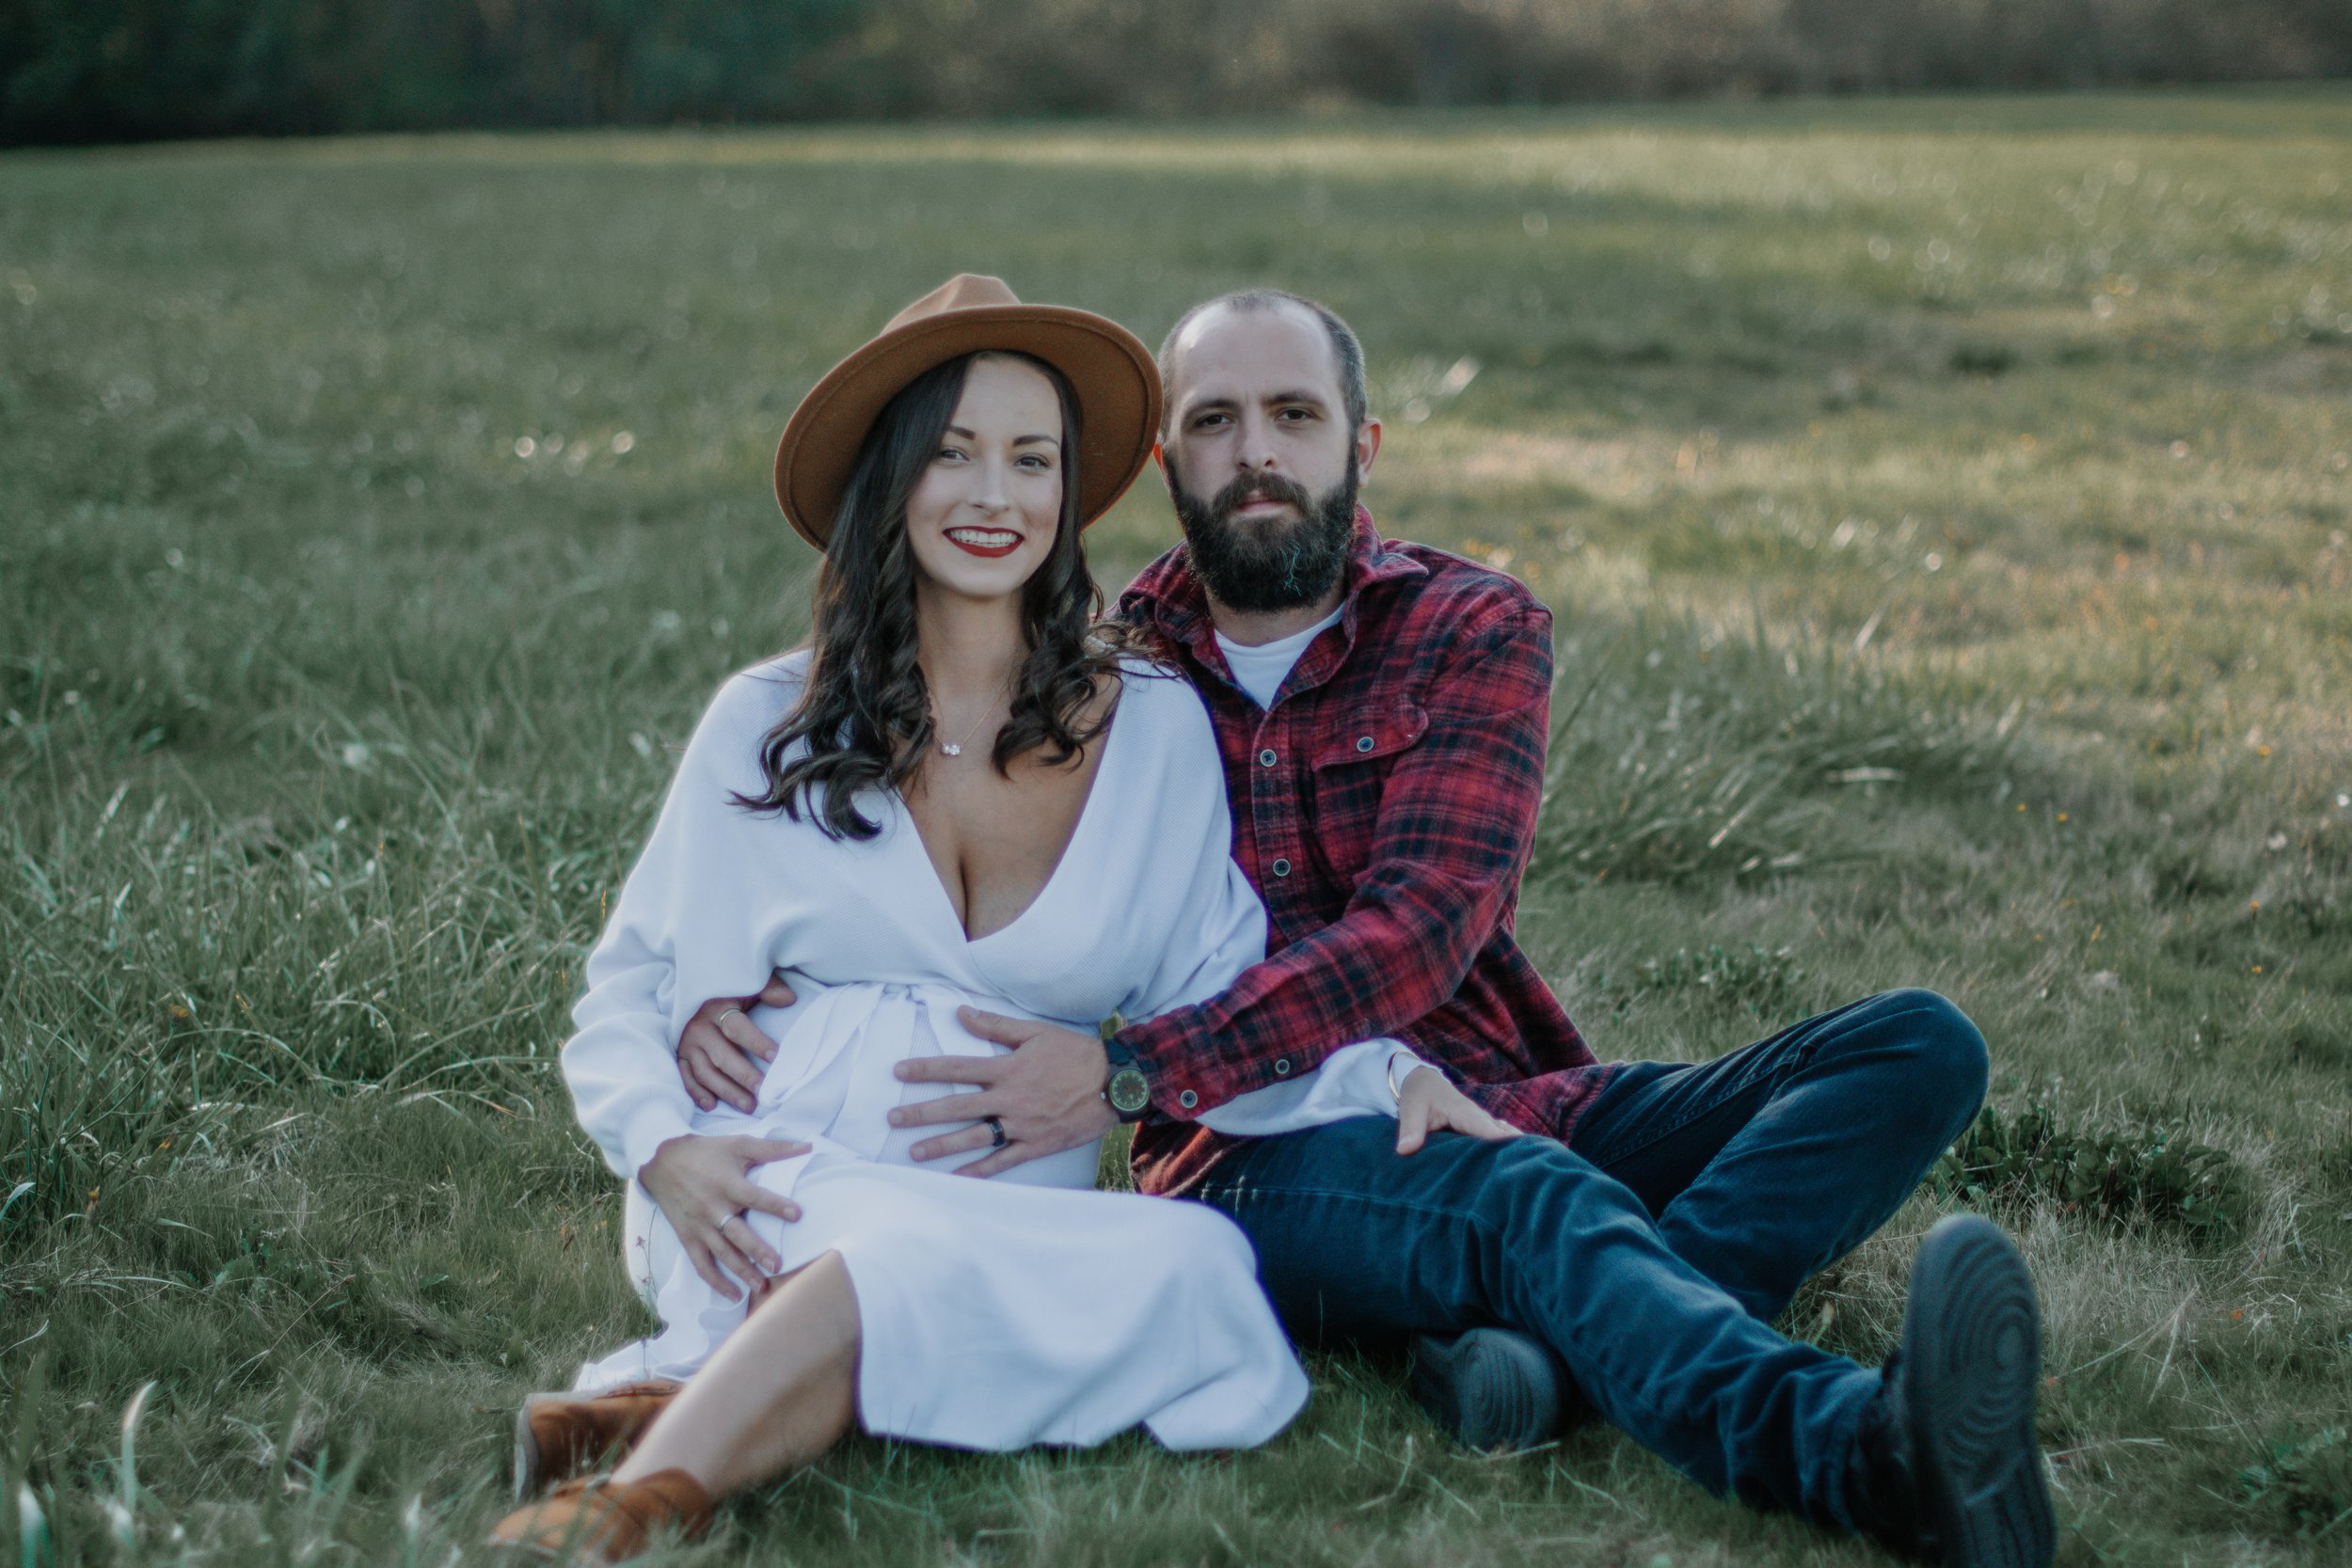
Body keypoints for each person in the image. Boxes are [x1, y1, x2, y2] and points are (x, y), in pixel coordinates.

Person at [674, 288, 2058, 1568]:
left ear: (1362, 444)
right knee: (1532, 1204)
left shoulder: (1472, 627)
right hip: (1246, 1142)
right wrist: (737, 985)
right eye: (1214, 422)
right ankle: (1865, 1458)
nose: (1255, 452)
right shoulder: (1109, 674)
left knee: (1914, 1046)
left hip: (1496, 1090)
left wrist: (1120, 1062)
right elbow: (935, 847)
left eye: (1294, 416)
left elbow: (1427, 929)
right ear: (1168, 462)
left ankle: (1557, 1356)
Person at [488, 276, 1520, 1562]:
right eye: (953, 455)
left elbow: (1219, 985)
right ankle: (641, 1499)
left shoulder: (1151, 728)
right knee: (904, 1252)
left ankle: (673, 1401)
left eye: (1032, 459)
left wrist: (1389, 1072)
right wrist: (661, 1149)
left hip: (994, 1200)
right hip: (761, 1181)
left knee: (1196, 1265)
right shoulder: (768, 720)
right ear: (893, 483)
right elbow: (625, 990)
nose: (995, 495)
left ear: (1067, 493)